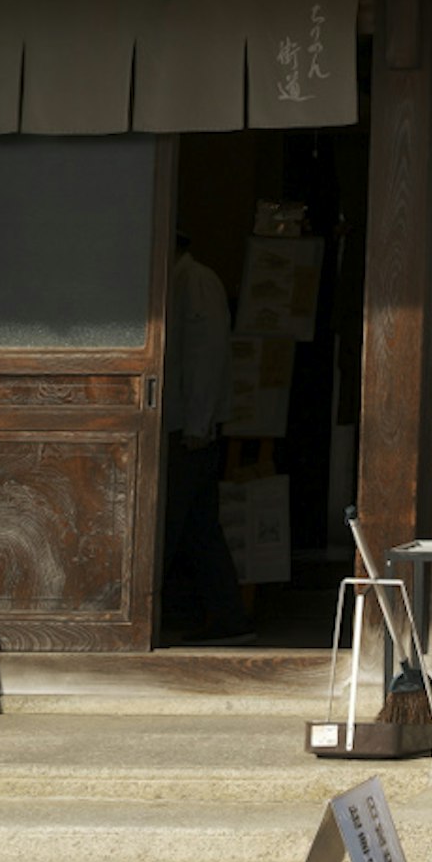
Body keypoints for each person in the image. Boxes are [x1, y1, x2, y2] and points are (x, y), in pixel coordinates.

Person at [160, 235, 247, 641]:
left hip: (188, 429)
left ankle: (144, 620)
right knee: (198, 529)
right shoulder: (176, 281)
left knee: (172, 525)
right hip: (182, 424)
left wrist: (198, 422)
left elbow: (206, 355)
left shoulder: (195, 281)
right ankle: (228, 619)